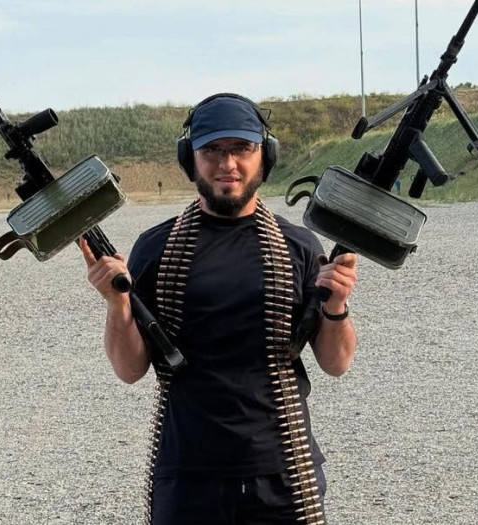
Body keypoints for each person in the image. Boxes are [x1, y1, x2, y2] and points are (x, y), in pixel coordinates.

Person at [80, 93, 357, 525]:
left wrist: (336, 306)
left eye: (242, 148)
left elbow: (336, 363)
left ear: (265, 156)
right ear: (189, 159)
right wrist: (117, 305)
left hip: (284, 468)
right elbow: (130, 370)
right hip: (187, 473)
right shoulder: (157, 247)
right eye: (211, 150)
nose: (228, 163)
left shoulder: (299, 246)